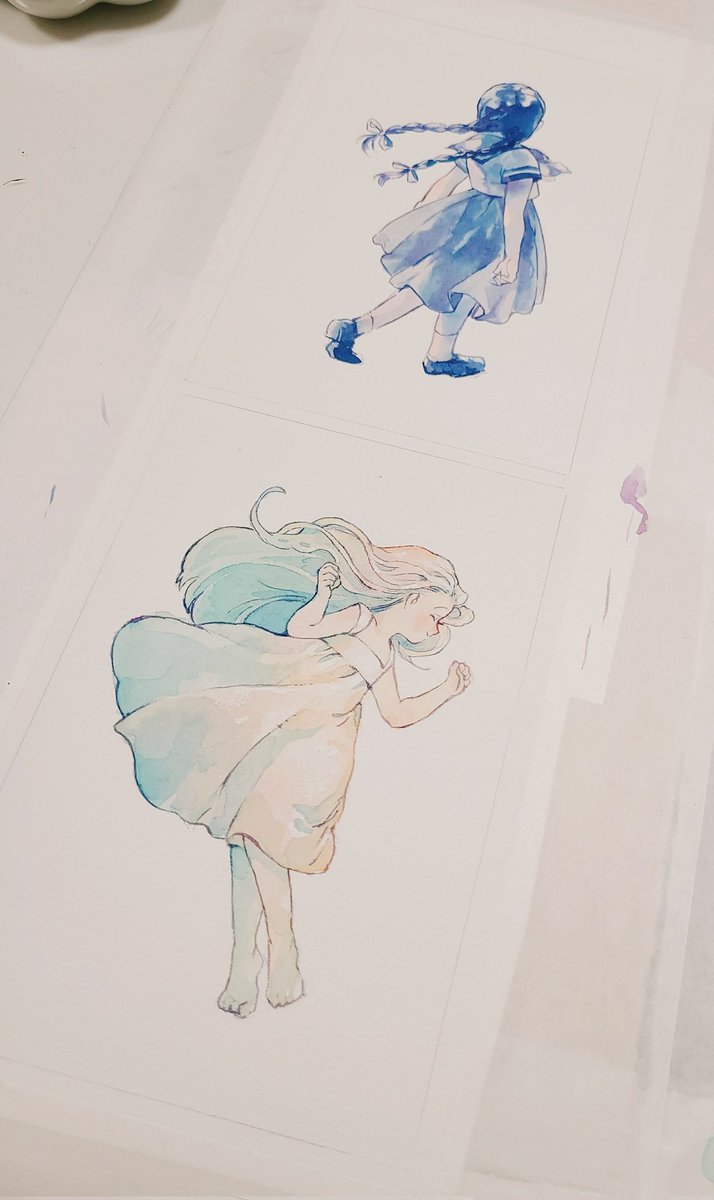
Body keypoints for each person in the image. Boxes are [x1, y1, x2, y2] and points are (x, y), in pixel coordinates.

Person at [111, 488, 473, 1016]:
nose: (436, 628)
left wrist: (446, 691)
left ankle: (263, 959)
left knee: (259, 845)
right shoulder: (357, 618)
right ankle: (265, 958)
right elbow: (302, 629)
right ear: (411, 596)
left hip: (316, 752)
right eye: (437, 614)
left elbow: (395, 714)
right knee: (249, 843)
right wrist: (323, 594)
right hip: (280, 729)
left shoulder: (385, 654)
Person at [326, 82, 568, 377]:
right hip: (492, 238)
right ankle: (435, 355)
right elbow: (512, 214)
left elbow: (446, 183)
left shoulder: (477, 145)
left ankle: (357, 328)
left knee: (432, 287)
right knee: (461, 292)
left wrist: (422, 214)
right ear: (531, 127)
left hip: (462, 222)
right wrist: (511, 258)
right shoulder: (520, 159)